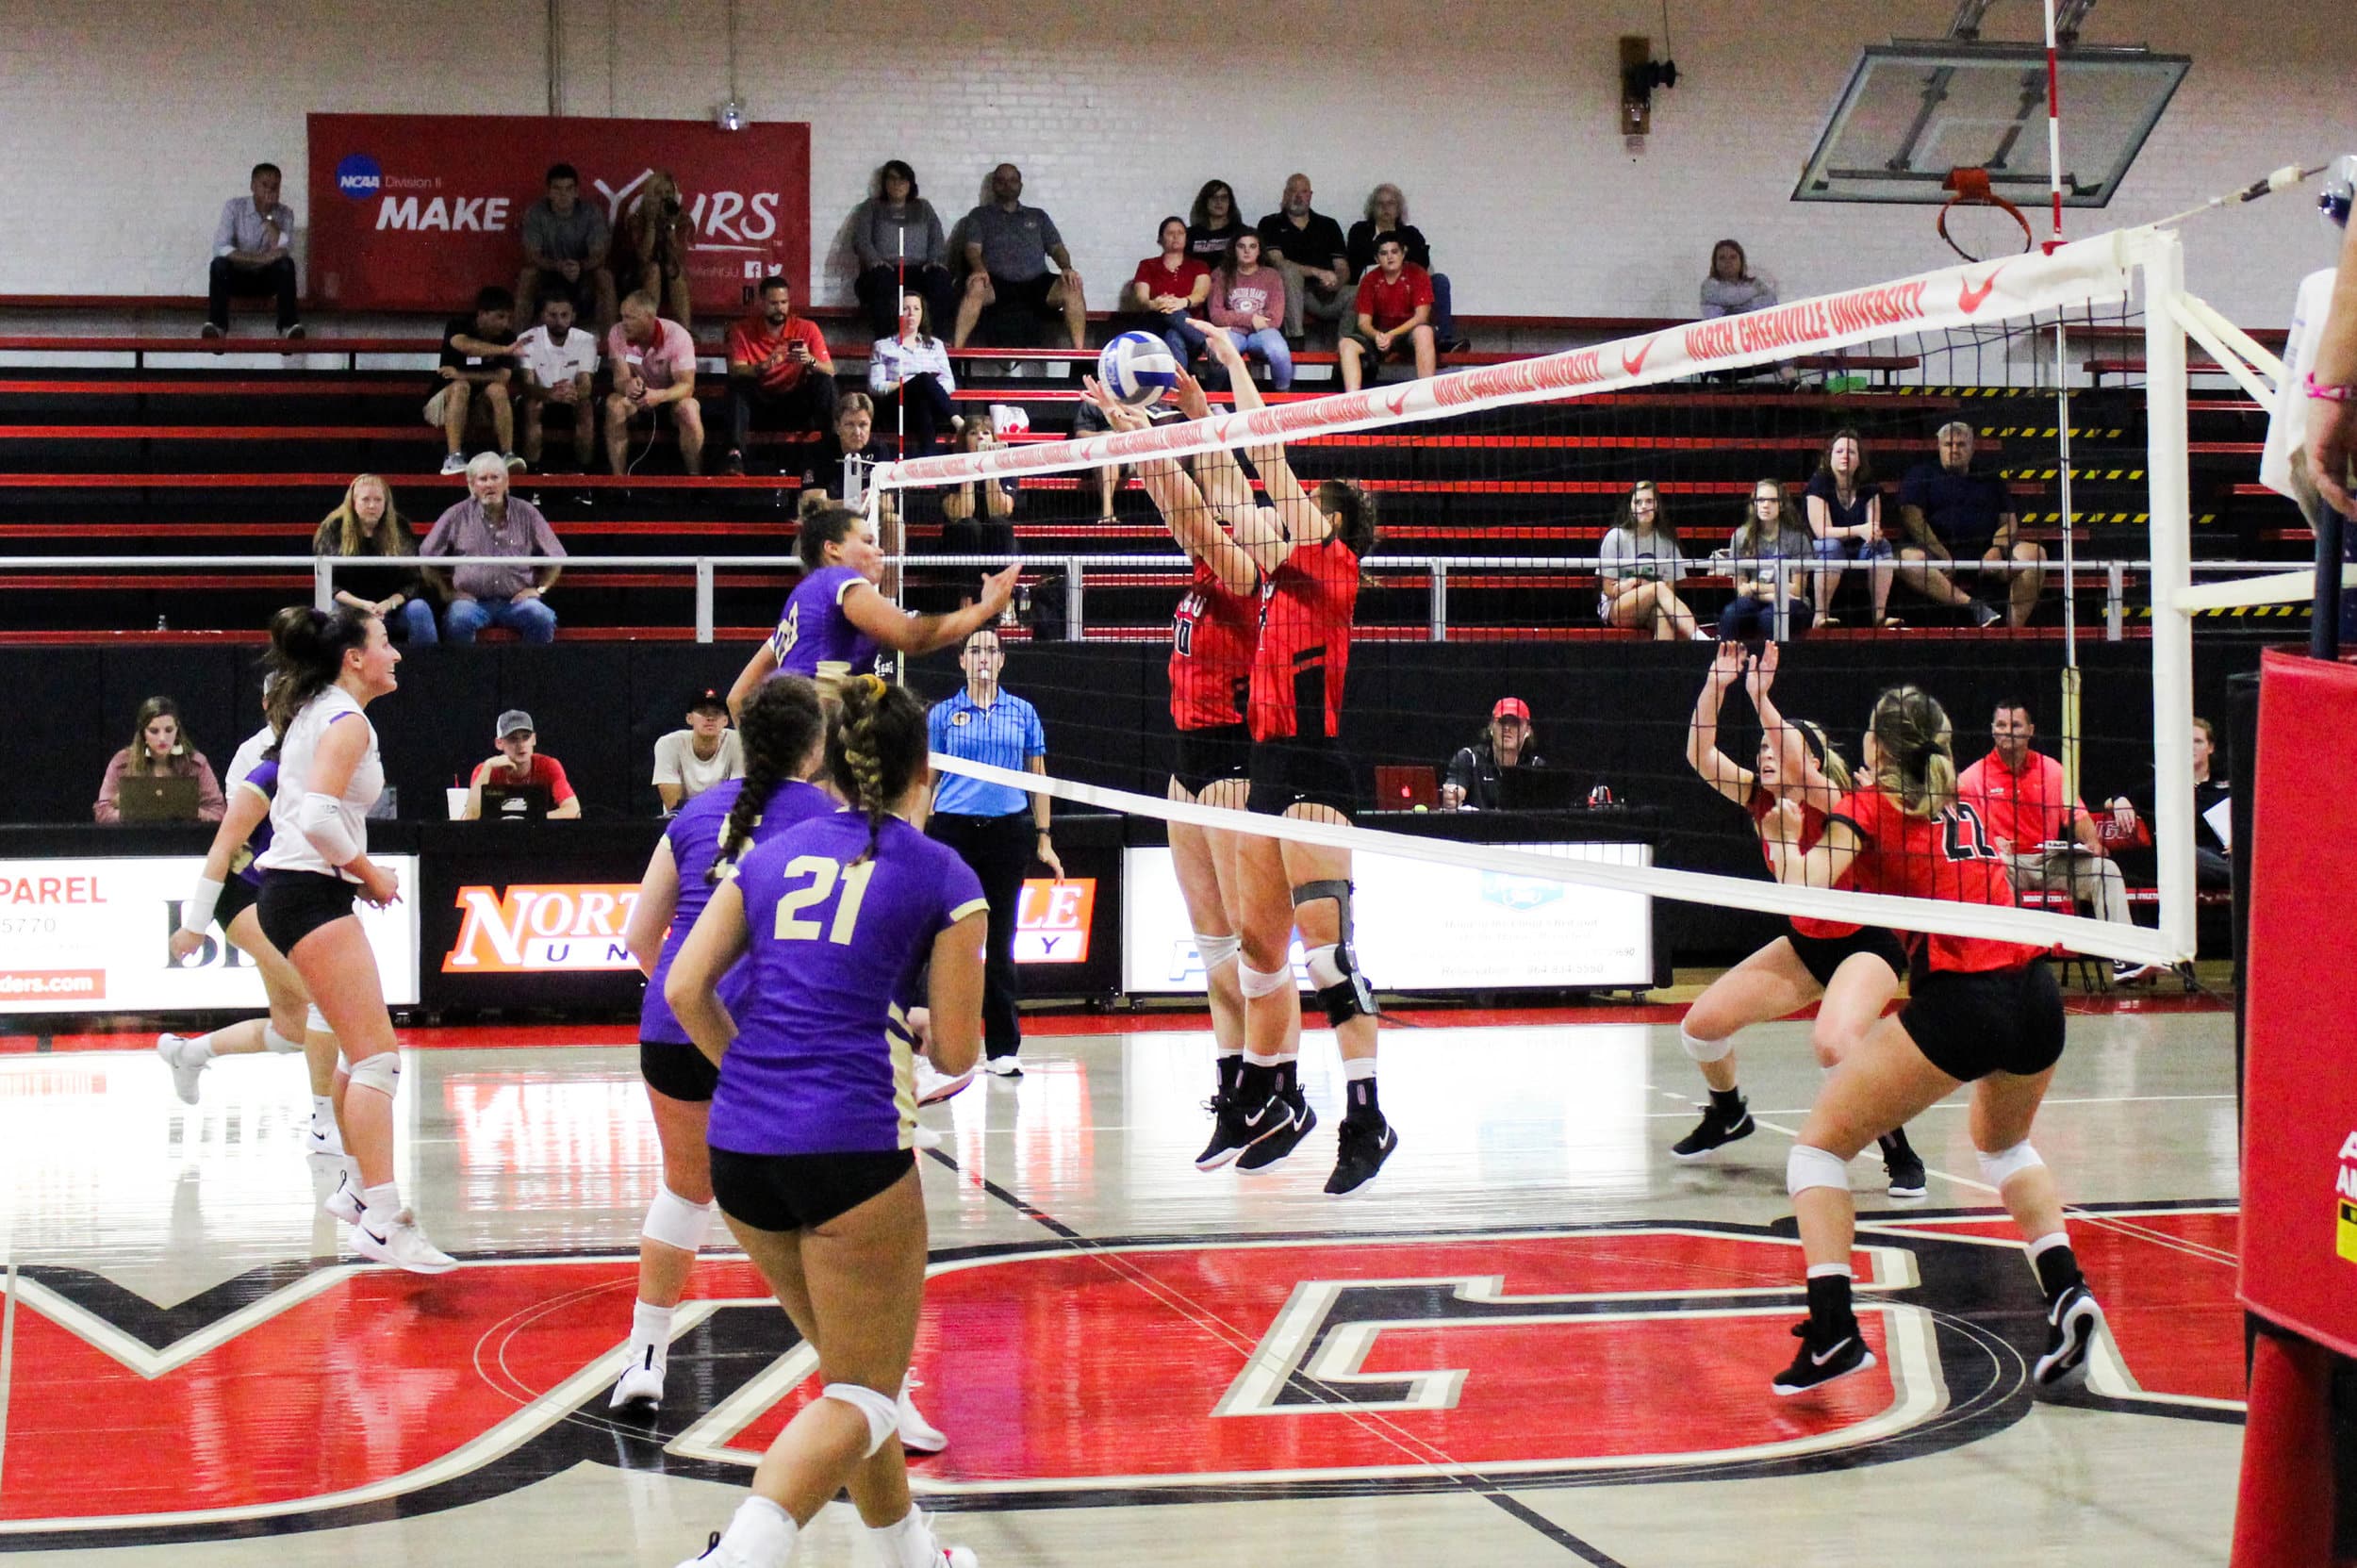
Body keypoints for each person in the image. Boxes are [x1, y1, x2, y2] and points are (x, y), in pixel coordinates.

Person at [661, 675, 986, 1568]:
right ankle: (741, 1556)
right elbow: (958, 1054)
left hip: (741, 1146)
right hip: (850, 1144)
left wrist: (757, 1073)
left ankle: (908, 1557)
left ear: (837, 770)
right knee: (868, 1390)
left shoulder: (770, 852)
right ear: (929, 773)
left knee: (852, 1371)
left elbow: (684, 987)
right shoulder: (946, 874)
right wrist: (920, 1021)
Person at [1763, 684, 2103, 1399]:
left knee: (1817, 1150)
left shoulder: (1869, 807)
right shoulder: (1963, 798)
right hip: (2037, 995)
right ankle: (2067, 1288)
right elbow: (1846, 798)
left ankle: (1833, 1329)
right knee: (2005, 1146)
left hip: (1964, 998)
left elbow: (1809, 891)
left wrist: (1780, 837)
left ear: (1877, 748)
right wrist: (1769, 713)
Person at [1192, 331, 1394, 1193]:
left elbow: (1267, 463)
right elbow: (1238, 488)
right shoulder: (1276, 575)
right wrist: (1193, 409)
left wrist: (1235, 368)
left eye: (1310, 500)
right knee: (1255, 950)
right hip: (1267, 768)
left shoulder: (1335, 565)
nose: (1292, 505)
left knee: (1328, 959)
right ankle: (1279, 1092)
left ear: (1334, 521)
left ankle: (1368, 1114)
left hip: (1317, 773)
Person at [1079, 373, 1258, 1164]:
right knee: (1211, 945)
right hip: (1186, 770)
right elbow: (1184, 515)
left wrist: (1147, 436)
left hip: (1230, 762)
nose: (1227, 522)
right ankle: (1234, 1090)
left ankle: (1267, 1083)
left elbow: (1190, 516)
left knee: (1250, 947)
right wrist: (1136, 433)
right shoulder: (1204, 578)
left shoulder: (1250, 580)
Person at [1675, 644, 1922, 1195]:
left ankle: (1897, 1147)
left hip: (1866, 943)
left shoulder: (1835, 798)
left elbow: (1795, 758)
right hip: (1808, 944)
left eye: (1775, 746)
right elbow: (1699, 752)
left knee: (1835, 1044)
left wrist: (1762, 700)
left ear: (1807, 758)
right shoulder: (1760, 799)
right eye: (1759, 746)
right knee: (1700, 1028)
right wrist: (1717, 685)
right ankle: (1729, 1113)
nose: (1765, 754)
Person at [254, 605, 452, 1272]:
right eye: (385, 643)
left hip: (299, 891)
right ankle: (385, 1219)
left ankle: (354, 1189)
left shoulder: (321, 711)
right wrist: (371, 873)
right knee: (378, 1061)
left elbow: (314, 813)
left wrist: (354, 873)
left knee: (354, 1054)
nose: (396, 653)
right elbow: (316, 816)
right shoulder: (346, 719)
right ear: (354, 658)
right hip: (307, 892)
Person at [157, 684, 344, 1155]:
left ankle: (187, 1054)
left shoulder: (329, 753)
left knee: (291, 1029)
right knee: (328, 1003)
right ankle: (325, 1124)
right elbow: (226, 845)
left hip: (286, 894)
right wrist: (195, 923)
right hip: (247, 894)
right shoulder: (265, 766)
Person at [926, 629, 1061, 1077]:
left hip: (1007, 833)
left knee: (1001, 940)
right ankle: (935, 1043)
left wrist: (1044, 835)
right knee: (943, 939)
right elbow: (926, 782)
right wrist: (914, 834)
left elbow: (1039, 779)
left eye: (991, 651)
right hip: (952, 833)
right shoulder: (942, 715)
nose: (983, 658)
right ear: (962, 661)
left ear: (1002, 661)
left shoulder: (1023, 713)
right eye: (975, 651)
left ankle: (1002, 1048)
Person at [726, 505, 1017, 713]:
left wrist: (764, 763)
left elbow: (737, 698)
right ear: (833, 549)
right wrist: (986, 607)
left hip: (790, 746)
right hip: (816, 740)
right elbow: (911, 636)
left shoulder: (801, 600)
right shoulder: (838, 578)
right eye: (867, 541)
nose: (879, 551)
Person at [1958, 699, 2153, 984]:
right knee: (1991, 875)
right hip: (2005, 864)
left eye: (2015, 725)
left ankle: (2125, 958)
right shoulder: (1973, 777)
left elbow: (2077, 816)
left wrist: (2093, 844)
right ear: (1992, 730)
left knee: (2105, 870)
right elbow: (1960, 830)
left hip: (2050, 861)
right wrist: (1989, 843)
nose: (2007, 731)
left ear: (2030, 730)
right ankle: (2007, 969)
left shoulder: (2052, 770)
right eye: (2001, 725)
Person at [1897, 421, 2046, 628]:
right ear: (1939, 446)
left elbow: (2008, 521)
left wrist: (1997, 548)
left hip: (1985, 555)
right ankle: (1973, 606)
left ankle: (2012, 632)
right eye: (1948, 444)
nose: (1954, 450)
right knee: (1907, 559)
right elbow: (1912, 518)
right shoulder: (1921, 474)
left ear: (1972, 447)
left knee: (2035, 554)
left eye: (1961, 444)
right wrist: (1941, 553)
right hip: (1936, 556)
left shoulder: (1990, 479)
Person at [420, 454, 566, 643]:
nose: (489, 485)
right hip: (471, 603)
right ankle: (465, 673)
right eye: (483, 479)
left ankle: (530, 672)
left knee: (542, 617)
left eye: (495, 478)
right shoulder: (456, 515)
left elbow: (557, 556)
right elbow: (425, 556)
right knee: (458, 619)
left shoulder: (527, 512)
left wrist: (540, 589)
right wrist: (445, 593)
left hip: (518, 602)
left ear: (506, 482)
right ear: (472, 485)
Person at [953, 163, 1086, 351]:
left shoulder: (1038, 216)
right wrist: (979, 270)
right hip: (996, 281)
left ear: (1021, 185)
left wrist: (1067, 268)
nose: (1007, 185)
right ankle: (956, 355)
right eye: (1001, 181)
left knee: (1073, 286)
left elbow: (1057, 248)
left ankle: (1079, 356)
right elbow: (972, 249)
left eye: (1012, 180)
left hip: (1037, 283)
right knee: (975, 285)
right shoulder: (980, 215)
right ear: (993, 185)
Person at [722, 276, 838, 477]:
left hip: (794, 402)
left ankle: (834, 446)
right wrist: (762, 367)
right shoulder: (742, 329)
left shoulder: (806, 328)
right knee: (738, 385)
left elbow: (830, 370)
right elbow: (735, 370)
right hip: (760, 403)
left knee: (824, 382)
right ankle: (735, 455)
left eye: (784, 302)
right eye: (774, 303)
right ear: (762, 303)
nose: (780, 308)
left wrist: (809, 360)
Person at [2102, 715, 2232, 890]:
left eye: (2198, 741)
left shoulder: (2228, 784)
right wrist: (2121, 801)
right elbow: (2111, 801)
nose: (2191, 747)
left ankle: (2238, 876)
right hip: (2185, 859)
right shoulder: (2166, 784)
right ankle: (2239, 878)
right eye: (2186, 741)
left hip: (2224, 856)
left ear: (2210, 747)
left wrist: (2240, 841)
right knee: (2184, 855)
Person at [317, 474, 437, 646]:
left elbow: (413, 581)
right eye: (365, 500)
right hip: (350, 606)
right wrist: (363, 605)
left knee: (419, 609)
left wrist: (388, 604)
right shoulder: (333, 528)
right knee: (330, 608)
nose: (372, 505)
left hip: (391, 608)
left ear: (386, 503)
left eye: (378, 500)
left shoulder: (400, 527)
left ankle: (429, 668)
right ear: (353, 502)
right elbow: (328, 583)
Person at [849, 159, 955, 344]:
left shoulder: (924, 208)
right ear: (884, 183)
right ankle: (889, 342)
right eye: (892, 179)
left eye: (903, 180)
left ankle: (935, 342)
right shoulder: (872, 207)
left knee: (940, 278)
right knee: (881, 282)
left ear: (910, 184)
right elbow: (861, 240)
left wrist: (933, 260)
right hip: (884, 270)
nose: (897, 184)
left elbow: (937, 238)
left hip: (918, 270)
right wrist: (875, 261)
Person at [1803, 429, 1898, 629]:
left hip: (1860, 550)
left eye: (1851, 452)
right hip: (1825, 549)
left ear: (1859, 460)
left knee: (1881, 545)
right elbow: (1822, 531)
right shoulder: (1818, 483)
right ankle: (1820, 616)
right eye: (1839, 452)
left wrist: (1868, 532)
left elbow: (1872, 530)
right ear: (1829, 458)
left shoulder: (1869, 486)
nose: (1845, 456)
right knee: (1830, 546)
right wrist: (1859, 530)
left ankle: (1880, 616)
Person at [1345, 184, 1459, 351]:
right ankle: (1355, 342)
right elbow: (1355, 264)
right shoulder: (1360, 231)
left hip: (1409, 291)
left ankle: (1444, 340)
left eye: (1390, 203)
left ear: (1399, 208)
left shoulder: (1411, 234)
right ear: (1372, 208)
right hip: (1373, 291)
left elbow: (1421, 265)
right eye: (1380, 204)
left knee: (1440, 281)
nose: (1385, 208)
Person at [606, 290, 705, 476]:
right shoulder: (617, 333)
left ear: (649, 317)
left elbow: (686, 386)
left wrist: (659, 396)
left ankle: (696, 480)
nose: (624, 322)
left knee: (689, 409)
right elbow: (620, 379)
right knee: (614, 404)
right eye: (622, 316)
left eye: (630, 318)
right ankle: (618, 481)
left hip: (670, 399)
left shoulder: (677, 335)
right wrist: (628, 385)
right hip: (638, 400)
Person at [430, 287, 521, 476]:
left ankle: (507, 454)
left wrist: (463, 375)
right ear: (482, 314)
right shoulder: (458, 325)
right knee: (460, 387)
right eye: (500, 316)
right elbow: (465, 346)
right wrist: (504, 350)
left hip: (481, 405)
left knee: (498, 389)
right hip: (444, 401)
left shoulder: (508, 337)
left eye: (508, 318)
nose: (505, 323)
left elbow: (503, 377)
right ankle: (453, 456)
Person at [516, 163, 618, 331]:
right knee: (528, 275)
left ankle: (611, 347)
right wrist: (557, 266)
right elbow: (531, 254)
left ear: (576, 192)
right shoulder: (536, 213)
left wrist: (580, 266)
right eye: (557, 189)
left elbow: (600, 254)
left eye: (568, 189)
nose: (563, 195)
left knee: (604, 276)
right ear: (548, 192)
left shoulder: (591, 212)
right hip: (549, 274)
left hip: (583, 276)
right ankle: (516, 342)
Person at [206, 162, 301, 339]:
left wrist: (268, 216)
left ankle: (288, 326)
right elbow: (222, 248)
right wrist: (262, 259)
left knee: (286, 265)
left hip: (266, 281)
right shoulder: (234, 208)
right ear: (252, 186)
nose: (270, 191)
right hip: (237, 278)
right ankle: (218, 327)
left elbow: (283, 250)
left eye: (275, 187)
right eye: (265, 185)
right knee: (218, 265)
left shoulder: (285, 213)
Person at [1599, 480, 1705, 640]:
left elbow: (1670, 589)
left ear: (1657, 506)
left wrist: (1640, 584)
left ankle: (1662, 663)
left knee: (1665, 616)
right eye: (1638, 502)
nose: (1643, 506)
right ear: (1630, 507)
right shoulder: (1615, 537)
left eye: (1649, 501)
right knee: (1658, 589)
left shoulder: (1667, 540)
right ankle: (1699, 637)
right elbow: (1608, 588)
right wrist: (1638, 587)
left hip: (1653, 605)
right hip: (1618, 606)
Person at [1718, 479, 1819, 643]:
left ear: (1782, 505)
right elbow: (1741, 589)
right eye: (1761, 500)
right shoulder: (1741, 536)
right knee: (1731, 614)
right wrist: (1772, 595)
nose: (1766, 505)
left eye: (1772, 500)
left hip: (1792, 603)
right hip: (1760, 599)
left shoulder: (1797, 537)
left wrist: (1756, 587)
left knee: (1769, 618)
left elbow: (1798, 590)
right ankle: (1726, 664)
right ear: (1754, 504)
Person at [94, 697, 225, 823]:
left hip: (183, 840)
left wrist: (191, 812)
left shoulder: (196, 763)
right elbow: (102, 811)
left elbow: (219, 811)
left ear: (177, 730)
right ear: (143, 733)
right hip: (135, 840)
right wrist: (134, 813)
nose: (162, 738)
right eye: (154, 731)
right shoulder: (122, 762)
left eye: (169, 730)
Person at [1257, 173, 1351, 346]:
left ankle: (1346, 347)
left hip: (1322, 293)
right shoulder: (1270, 223)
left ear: (1310, 195)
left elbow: (1342, 267)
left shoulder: (1328, 225)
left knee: (1356, 293)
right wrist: (1317, 272)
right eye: (1293, 191)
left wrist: (1335, 283)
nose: (1298, 196)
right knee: (1289, 271)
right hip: (1285, 294)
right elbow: (1278, 262)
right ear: (1285, 194)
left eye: (1304, 191)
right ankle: (1295, 339)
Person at [513, 292, 602, 472]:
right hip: (540, 396)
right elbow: (527, 384)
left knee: (586, 409)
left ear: (573, 316)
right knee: (532, 406)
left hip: (572, 397)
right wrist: (548, 394)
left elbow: (586, 384)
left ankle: (582, 476)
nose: (559, 321)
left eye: (564, 315)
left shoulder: (585, 340)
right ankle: (532, 476)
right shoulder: (527, 338)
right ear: (542, 316)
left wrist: (572, 393)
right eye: (552, 315)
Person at [1337, 236, 1436, 392]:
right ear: (1376, 258)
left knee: (1424, 331)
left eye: (1394, 252)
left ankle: (1427, 397)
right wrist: (1377, 336)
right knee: (1346, 344)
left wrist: (1392, 334)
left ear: (1403, 253)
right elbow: (1363, 322)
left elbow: (1422, 316)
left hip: (1407, 334)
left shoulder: (1418, 274)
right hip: (1379, 335)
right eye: (1383, 253)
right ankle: (1352, 403)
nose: (1390, 257)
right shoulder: (1369, 279)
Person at [868, 291, 957, 456]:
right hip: (896, 405)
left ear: (923, 313)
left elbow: (949, 383)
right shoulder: (882, 346)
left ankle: (925, 462)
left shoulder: (936, 345)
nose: (911, 313)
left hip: (927, 406)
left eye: (916, 308)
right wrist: (912, 384)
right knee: (923, 379)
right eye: (906, 308)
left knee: (923, 401)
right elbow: (876, 386)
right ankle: (957, 421)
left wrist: (927, 388)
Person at [1118, 216, 1211, 368]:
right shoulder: (1147, 265)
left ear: (1187, 238)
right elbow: (1141, 298)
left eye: (1180, 233)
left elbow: (1200, 295)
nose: (1175, 236)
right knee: (1167, 311)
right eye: (1170, 233)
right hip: (1154, 327)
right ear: (1160, 239)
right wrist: (1155, 304)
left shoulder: (1199, 265)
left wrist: (1181, 302)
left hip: (1189, 332)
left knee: (1173, 335)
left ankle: (1176, 389)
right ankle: (1206, 344)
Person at [1206, 232, 1292, 390]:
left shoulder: (1272, 276)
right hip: (1233, 332)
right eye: (1241, 246)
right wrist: (1251, 320)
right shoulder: (1221, 274)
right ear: (1233, 249)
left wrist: (1234, 318)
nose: (1247, 251)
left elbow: (1275, 319)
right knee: (1219, 351)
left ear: (1259, 251)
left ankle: (1283, 398)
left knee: (1278, 351)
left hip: (1262, 333)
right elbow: (1217, 315)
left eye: (1252, 246)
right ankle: (1213, 399)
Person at [463, 710, 581, 819]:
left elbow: (573, 810)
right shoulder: (485, 770)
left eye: (526, 737)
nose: (521, 745)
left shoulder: (549, 766)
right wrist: (488, 766)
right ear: (499, 743)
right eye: (513, 739)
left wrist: (529, 819)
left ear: (534, 739)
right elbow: (471, 817)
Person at [1442, 698, 1547, 811]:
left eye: (1515, 723)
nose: (1507, 728)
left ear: (1528, 731)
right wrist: (1452, 796)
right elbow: (1454, 791)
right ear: (1491, 727)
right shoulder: (1468, 758)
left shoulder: (1536, 766)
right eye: (1502, 721)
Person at [653, 686, 746, 814]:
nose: (710, 718)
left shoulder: (738, 742)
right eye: (703, 712)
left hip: (722, 820)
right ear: (689, 718)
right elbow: (673, 806)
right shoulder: (668, 744)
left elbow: (737, 797)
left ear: (725, 721)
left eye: (717, 713)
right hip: (680, 821)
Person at [623, 170, 697, 330]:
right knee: (654, 269)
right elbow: (643, 257)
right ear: (649, 196)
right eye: (658, 193)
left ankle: (686, 330)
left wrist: (671, 226)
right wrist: (650, 223)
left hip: (670, 280)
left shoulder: (682, 218)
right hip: (637, 279)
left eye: (668, 192)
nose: (664, 198)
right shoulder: (636, 219)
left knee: (674, 270)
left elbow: (679, 257)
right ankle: (650, 330)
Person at [1699, 239, 1777, 318]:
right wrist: (1755, 292)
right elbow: (1730, 297)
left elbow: (1771, 302)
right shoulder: (1708, 286)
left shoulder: (1755, 283)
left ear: (1741, 261)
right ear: (1715, 263)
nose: (1728, 262)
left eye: (1733, 257)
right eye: (1722, 258)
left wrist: (1734, 309)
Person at [1186, 179, 1246, 263]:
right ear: (1205, 202)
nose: (1219, 202)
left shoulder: (1242, 233)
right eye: (1213, 197)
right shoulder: (1190, 235)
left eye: (1224, 197)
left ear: (1230, 202)